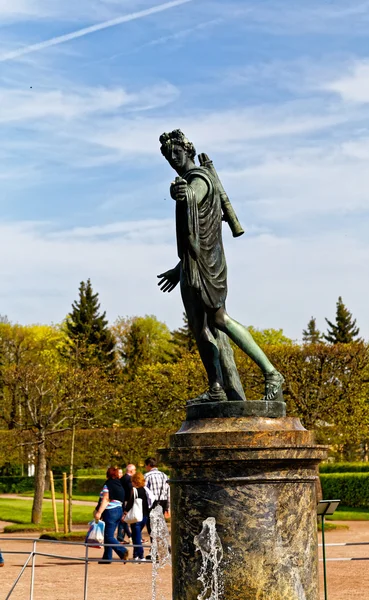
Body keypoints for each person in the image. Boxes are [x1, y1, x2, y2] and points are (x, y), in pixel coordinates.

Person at [157, 129, 284, 403]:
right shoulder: (198, 178)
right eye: (168, 157)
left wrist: (180, 192)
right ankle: (216, 387)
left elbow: (193, 194)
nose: (173, 159)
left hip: (206, 267)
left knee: (218, 318)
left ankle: (271, 372)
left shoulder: (200, 179)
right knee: (198, 327)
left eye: (175, 153)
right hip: (192, 264)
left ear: (188, 151)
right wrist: (178, 269)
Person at [95, 466, 129, 564]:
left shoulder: (108, 485)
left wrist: (99, 512)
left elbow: (106, 499)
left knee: (108, 536)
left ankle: (123, 551)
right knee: (108, 535)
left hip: (110, 511)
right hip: (119, 510)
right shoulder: (119, 484)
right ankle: (107, 557)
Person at [124, 471, 154, 561]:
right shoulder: (145, 490)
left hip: (137, 516)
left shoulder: (135, 490)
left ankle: (140, 556)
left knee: (136, 537)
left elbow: (131, 502)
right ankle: (135, 555)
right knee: (136, 535)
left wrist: (125, 512)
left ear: (135, 481)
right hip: (145, 516)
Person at [117, 464, 136, 543]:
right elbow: (129, 491)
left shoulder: (123, 478)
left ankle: (123, 536)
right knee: (125, 519)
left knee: (124, 518)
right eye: (135, 470)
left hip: (123, 500)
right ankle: (122, 537)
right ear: (131, 471)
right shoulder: (129, 479)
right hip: (126, 501)